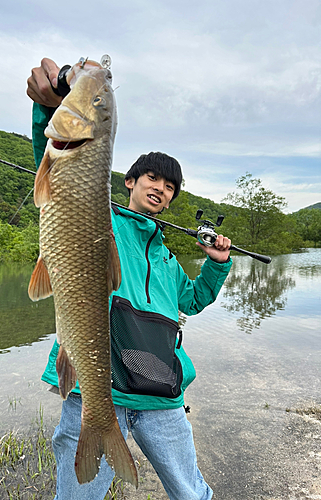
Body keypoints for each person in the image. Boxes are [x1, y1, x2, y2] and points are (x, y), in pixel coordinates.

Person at [27, 58, 233, 500]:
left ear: (173, 198)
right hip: (95, 388)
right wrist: (49, 109)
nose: (159, 188)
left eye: (169, 186)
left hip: (160, 393)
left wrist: (216, 264)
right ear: (129, 181)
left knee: (193, 493)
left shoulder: (166, 257)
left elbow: (193, 301)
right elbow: (61, 165)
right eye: (152, 178)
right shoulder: (100, 219)